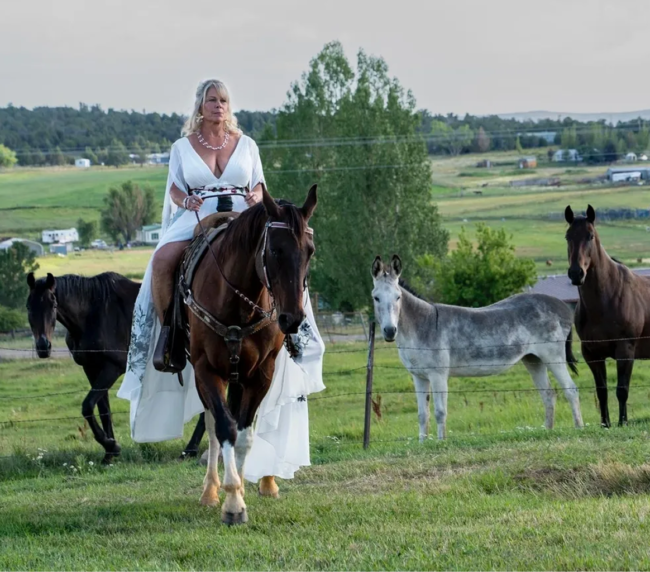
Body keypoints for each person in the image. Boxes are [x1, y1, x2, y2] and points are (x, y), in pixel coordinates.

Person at [117, 79, 325, 488]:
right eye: (211, 100)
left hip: (243, 218)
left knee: (283, 259)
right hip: (197, 218)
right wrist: (186, 201)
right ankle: (172, 333)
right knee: (162, 261)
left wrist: (255, 200)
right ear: (201, 105)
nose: (218, 106)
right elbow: (174, 189)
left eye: (223, 100)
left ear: (230, 106)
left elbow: (261, 185)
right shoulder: (182, 147)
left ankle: (293, 330)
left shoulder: (246, 144)